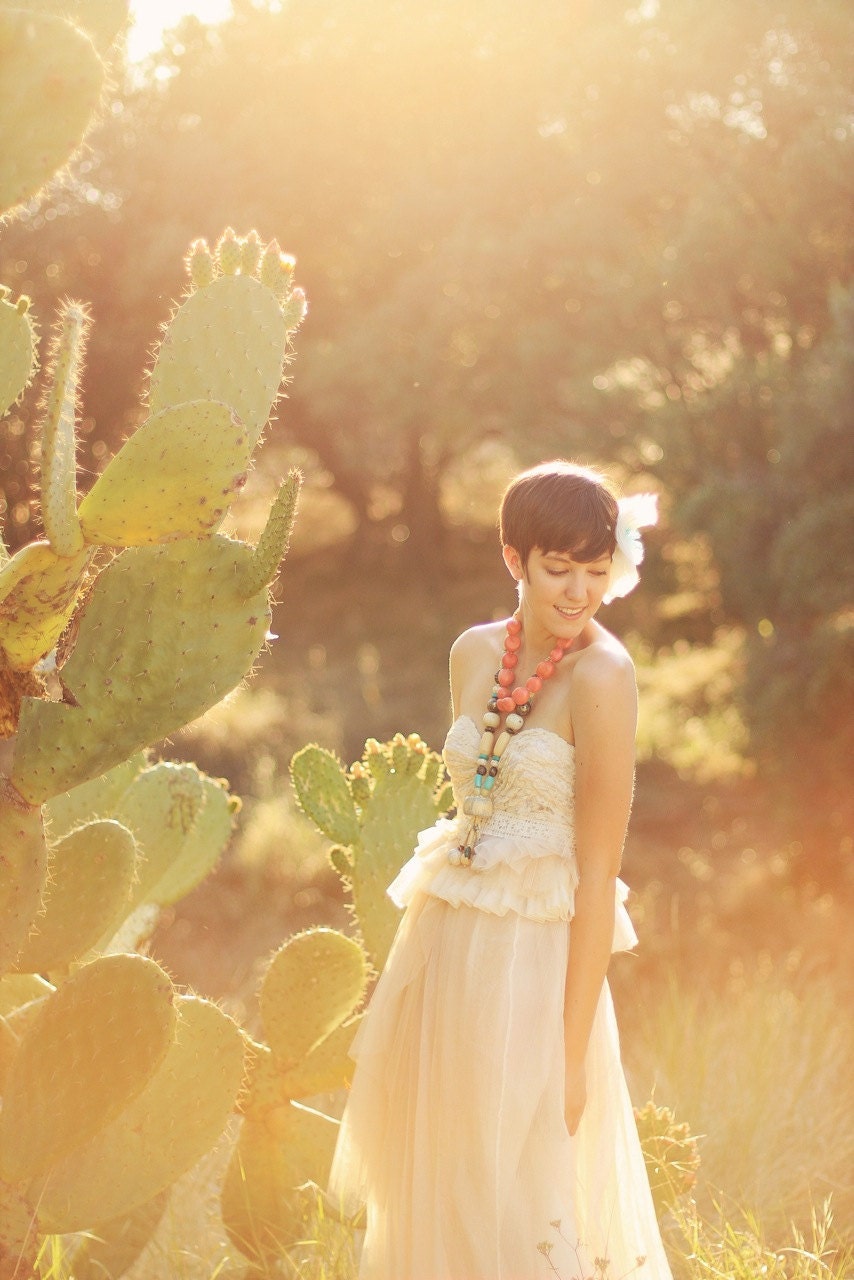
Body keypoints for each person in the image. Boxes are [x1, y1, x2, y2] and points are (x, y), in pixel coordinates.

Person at [329, 460, 674, 1280]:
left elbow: (597, 872)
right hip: (447, 943)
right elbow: (472, 796)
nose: (579, 592)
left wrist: (572, 1050)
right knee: (434, 1174)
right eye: (559, 568)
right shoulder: (474, 651)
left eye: (597, 570)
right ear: (514, 558)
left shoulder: (604, 676)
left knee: (515, 1189)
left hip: (534, 967)